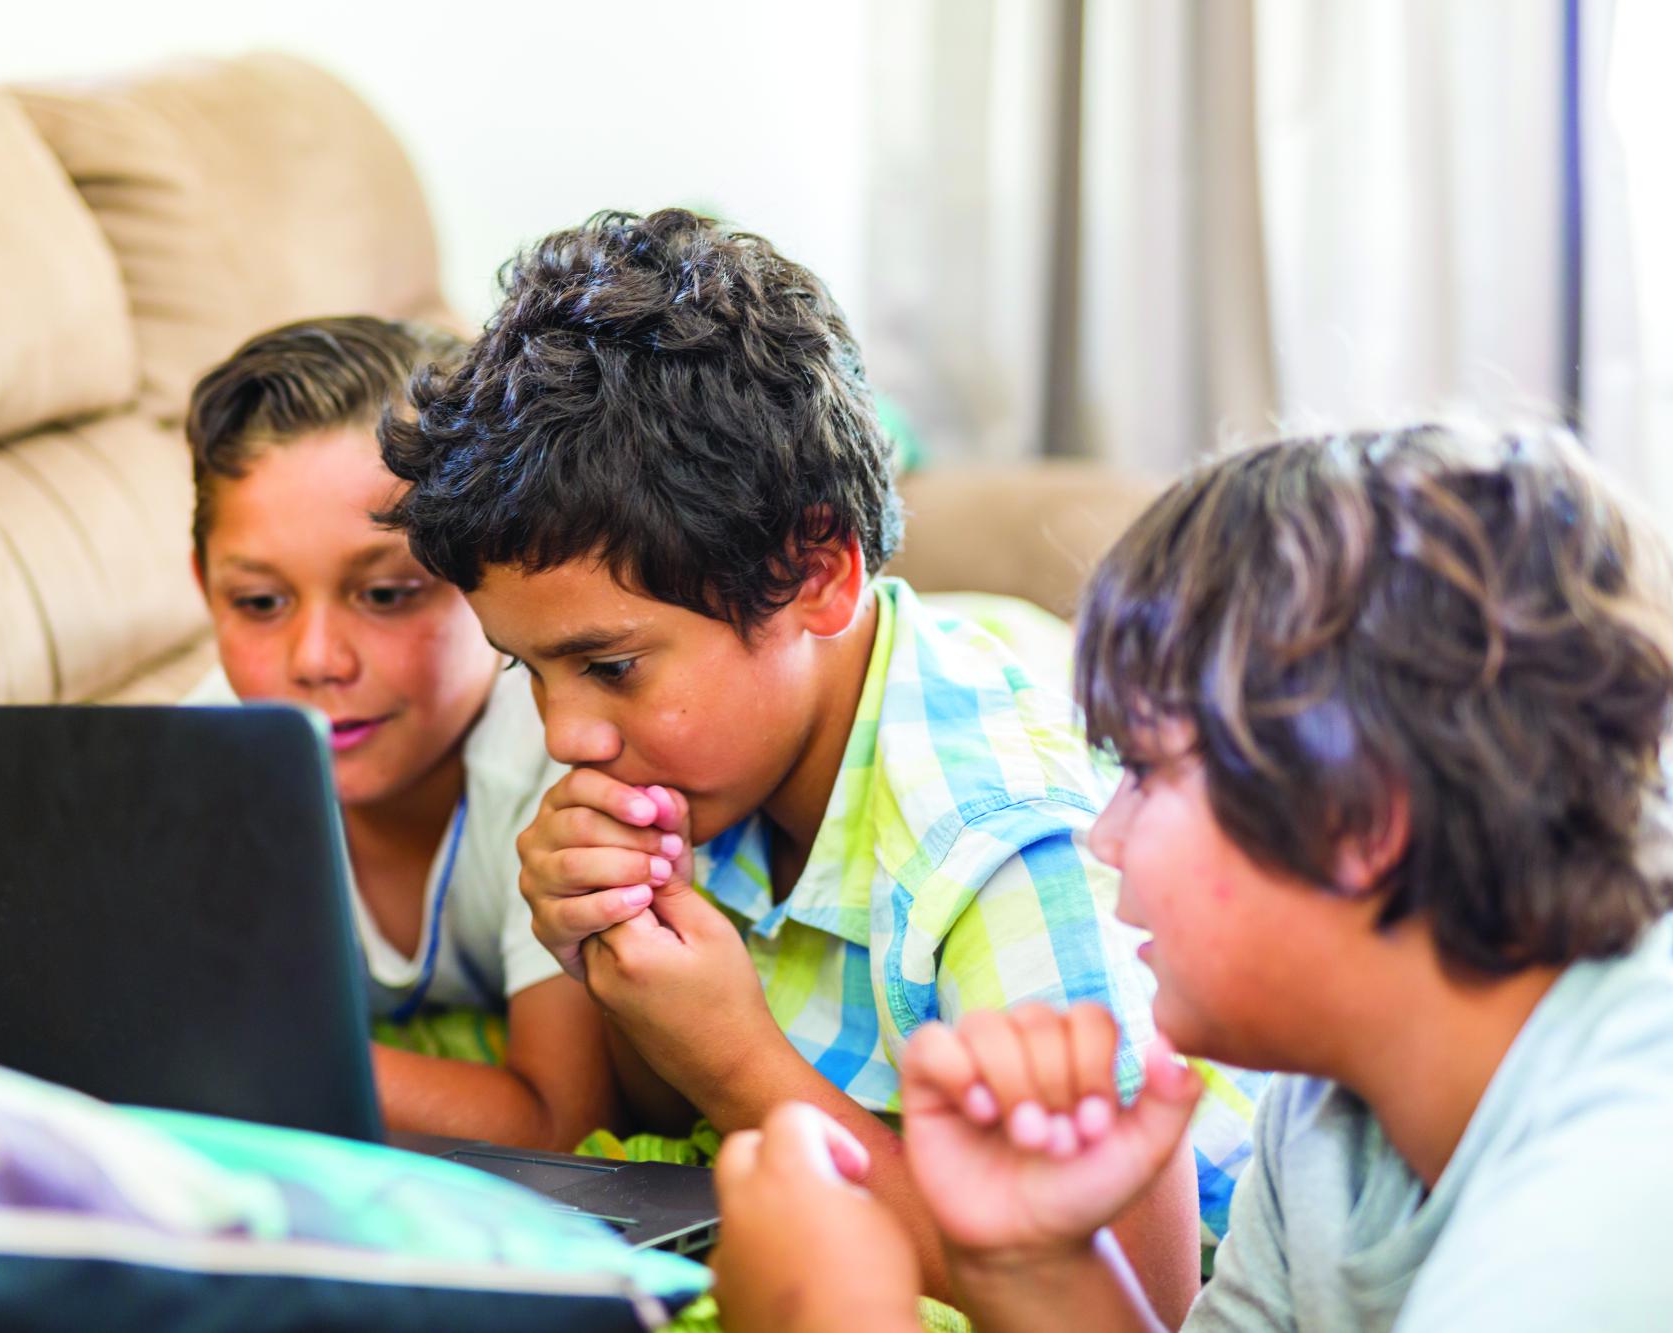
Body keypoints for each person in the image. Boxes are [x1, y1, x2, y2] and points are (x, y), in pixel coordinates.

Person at [379, 209, 1262, 1316]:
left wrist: (736, 1059)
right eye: (528, 672)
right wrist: (628, 982)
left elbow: (1135, 1291)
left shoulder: (998, 842)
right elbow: (666, 1120)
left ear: (817, 576)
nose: (567, 737)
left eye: (608, 665)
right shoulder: (721, 764)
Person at [707, 422, 1673, 1331]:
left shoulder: (1633, 1197)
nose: (1102, 837)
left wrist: (833, 1318)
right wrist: (1032, 1261)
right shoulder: (1335, 1110)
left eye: (1148, 774)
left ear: (1357, 815)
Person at [184, 315, 620, 1150]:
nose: (315, 661)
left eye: (386, 594)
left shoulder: (562, 753)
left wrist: (258, 1058)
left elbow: (566, 1122)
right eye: (259, 604)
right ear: (205, 586)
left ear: (487, 575)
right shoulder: (196, 769)